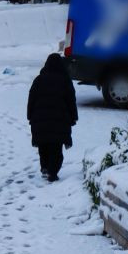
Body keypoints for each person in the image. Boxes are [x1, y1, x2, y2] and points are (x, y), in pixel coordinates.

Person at [27, 53, 78, 181]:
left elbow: (31, 99)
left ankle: (45, 167)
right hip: (60, 121)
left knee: (43, 145)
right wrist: (73, 117)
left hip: (40, 120)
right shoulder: (65, 81)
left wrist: (30, 116)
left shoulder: (39, 80)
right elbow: (71, 101)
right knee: (56, 147)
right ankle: (53, 172)